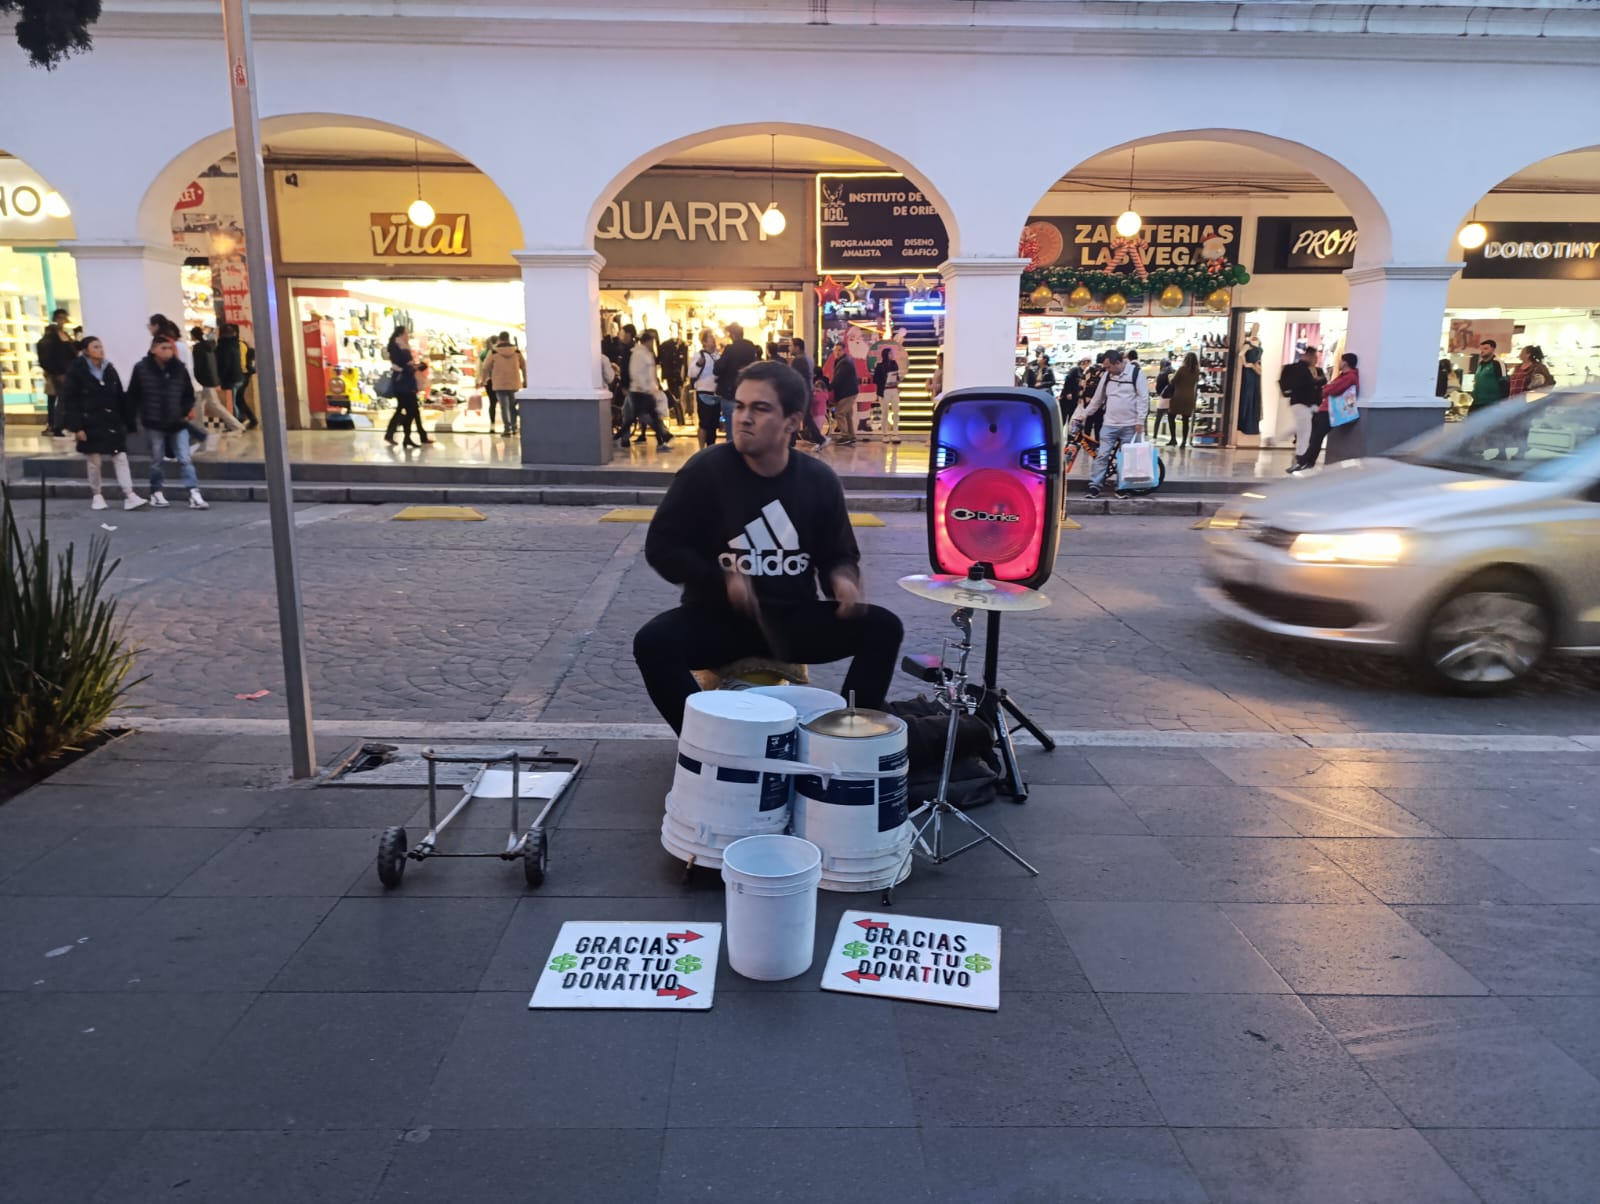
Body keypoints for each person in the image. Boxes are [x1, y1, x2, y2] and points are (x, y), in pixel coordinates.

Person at [633, 359, 904, 733]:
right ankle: (703, 741)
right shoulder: (705, 470)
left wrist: (843, 581)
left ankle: (849, 736)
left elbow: (838, 554)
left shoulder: (818, 480)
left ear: (792, 422)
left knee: (884, 628)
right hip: (718, 619)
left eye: (759, 409)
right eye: (740, 406)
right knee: (652, 642)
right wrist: (722, 579)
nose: (743, 417)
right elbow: (662, 547)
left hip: (792, 619)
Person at [61, 336, 147, 511]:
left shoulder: (109, 368)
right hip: (89, 421)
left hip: (111, 420)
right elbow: (70, 400)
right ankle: (97, 494)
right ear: (86, 350)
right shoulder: (77, 371)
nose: (101, 350)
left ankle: (129, 494)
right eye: (96, 347)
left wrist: (128, 421)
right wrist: (77, 427)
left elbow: (119, 396)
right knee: (94, 460)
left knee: (120, 456)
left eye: (101, 346)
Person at [126, 336, 207, 509]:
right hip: (154, 423)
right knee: (157, 458)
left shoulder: (179, 369)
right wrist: (132, 421)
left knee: (185, 458)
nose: (168, 351)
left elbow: (188, 393)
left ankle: (193, 492)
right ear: (153, 349)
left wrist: (184, 412)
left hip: (177, 422)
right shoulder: (141, 369)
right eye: (163, 348)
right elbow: (133, 396)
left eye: (169, 348)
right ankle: (156, 491)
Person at [1075, 348, 1148, 500]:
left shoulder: (1136, 374)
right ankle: (1095, 485)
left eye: (1109, 367)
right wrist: (1085, 415)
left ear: (1118, 363)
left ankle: (1122, 487)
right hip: (1109, 424)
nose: (1107, 370)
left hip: (1130, 425)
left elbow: (1143, 398)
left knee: (1126, 458)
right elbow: (1098, 399)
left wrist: (1140, 421)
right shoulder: (1107, 376)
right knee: (1102, 455)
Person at [1307, 351, 1360, 471]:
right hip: (1326, 408)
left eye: (1341, 361)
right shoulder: (1343, 376)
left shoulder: (1350, 376)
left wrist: (1326, 389)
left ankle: (1308, 462)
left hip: (1331, 410)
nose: (1339, 363)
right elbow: (1329, 387)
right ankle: (1306, 460)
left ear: (1345, 363)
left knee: (1317, 436)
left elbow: (1332, 389)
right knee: (1315, 436)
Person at [190, 326, 246, 435]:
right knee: (200, 404)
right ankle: (199, 428)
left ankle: (236, 425)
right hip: (210, 379)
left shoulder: (198, 348)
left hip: (204, 380)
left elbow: (198, 366)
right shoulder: (210, 346)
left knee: (214, 404)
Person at [1279, 345, 1325, 474]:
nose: (1316, 360)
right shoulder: (1301, 370)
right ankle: (1301, 458)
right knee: (1304, 432)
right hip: (1303, 403)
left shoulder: (1298, 369)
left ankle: (1299, 455)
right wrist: (1315, 382)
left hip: (1302, 404)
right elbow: (1306, 386)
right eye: (1315, 357)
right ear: (1310, 357)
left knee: (1302, 428)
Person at [713, 322, 761, 441]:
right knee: (746, 428)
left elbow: (718, 368)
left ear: (733, 335)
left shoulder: (730, 349)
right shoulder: (751, 348)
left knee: (731, 428)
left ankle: (732, 455)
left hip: (730, 393)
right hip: (748, 392)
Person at [384, 326, 430, 448]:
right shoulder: (397, 346)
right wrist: (413, 368)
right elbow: (398, 365)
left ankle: (406, 436)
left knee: (409, 410)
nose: (408, 335)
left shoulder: (402, 346)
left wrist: (415, 367)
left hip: (406, 382)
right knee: (411, 411)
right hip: (403, 383)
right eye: (406, 333)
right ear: (400, 334)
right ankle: (408, 437)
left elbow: (405, 365)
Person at [628, 329, 674, 448]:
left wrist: (653, 386)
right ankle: (664, 435)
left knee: (652, 416)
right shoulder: (638, 354)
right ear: (647, 342)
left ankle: (662, 438)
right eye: (651, 342)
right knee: (645, 416)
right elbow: (636, 373)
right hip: (640, 392)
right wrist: (645, 387)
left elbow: (649, 372)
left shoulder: (646, 354)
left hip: (647, 391)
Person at [36, 307, 78, 435]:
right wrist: (56, 372)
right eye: (60, 318)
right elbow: (49, 354)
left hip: (66, 371)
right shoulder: (52, 335)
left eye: (64, 318)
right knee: (60, 399)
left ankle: (60, 424)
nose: (63, 321)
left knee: (63, 399)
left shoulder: (64, 335)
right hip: (58, 373)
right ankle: (57, 425)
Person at [215, 324, 257, 430]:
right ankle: (249, 419)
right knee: (239, 399)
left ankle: (238, 421)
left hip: (238, 375)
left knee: (235, 400)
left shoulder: (228, 345)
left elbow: (233, 362)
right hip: (242, 375)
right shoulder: (239, 344)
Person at [486, 331, 526, 437]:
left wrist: (485, 378)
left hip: (499, 383)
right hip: (514, 383)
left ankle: (507, 429)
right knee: (512, 406)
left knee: (504, 406)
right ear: (508, 338)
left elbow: (485, 366)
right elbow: (524, 366)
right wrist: (526, 380)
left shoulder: (494, 351)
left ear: (500, 338)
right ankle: (514, 427)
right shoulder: (516, 351)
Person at [689, 330, 721, 448]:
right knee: (704, 423)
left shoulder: (718, 356)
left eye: (713, 336)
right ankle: (701, 448)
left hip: (716, 393)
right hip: (703, 392)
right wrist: (698, 364)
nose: (713, 339)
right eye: (710, 337)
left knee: (713, 424)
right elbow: (691, 373)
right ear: (704, 342)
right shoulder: (699, 355)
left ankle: (711, 446)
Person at [1166, 352, 1200, 448]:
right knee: (1186, 420)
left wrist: (1170, 376)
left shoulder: (1182, 369)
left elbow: (1173, 381)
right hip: (1190, 397)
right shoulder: (1196, 371)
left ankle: (1173, 439)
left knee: (1171, 416)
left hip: (1178, 396)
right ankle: (1184, 441)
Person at [872, 344, 903, 443]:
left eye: (892, 353)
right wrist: (885, 380)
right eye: (890, 353)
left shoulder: (894, 363)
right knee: (885, 412)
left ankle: (895, 433)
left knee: (896, 411)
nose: (892, 355)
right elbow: (875, 379)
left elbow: (897, 375)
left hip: (894, 389)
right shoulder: (880, 366)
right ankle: (884, 434)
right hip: (884, 391)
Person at [831, 350, 860, 444]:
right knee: (847, 414)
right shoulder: (845, 361)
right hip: (850, 391)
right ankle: (851, 435)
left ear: (844, 350)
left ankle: (845, 435)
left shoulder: (844, 363)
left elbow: (839, 378)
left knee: (840, 413)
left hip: (847, 392)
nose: (837, 352)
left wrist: (829, 387)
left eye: (839, 350)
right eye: (835, 350)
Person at [1471, 339, 1507, 412]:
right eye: (1481, 349)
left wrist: (1503, 401)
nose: (1482, 351)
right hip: (1477, 402)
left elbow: (1504, 382)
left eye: (1486, 348)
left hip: (1492, 403)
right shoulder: (1480, 365)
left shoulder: (1497, 363)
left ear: (1493, 349)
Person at [1236, 339, 1263, 436]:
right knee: (1248, 395)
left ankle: (1252, 425)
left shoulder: (1258, 342)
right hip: (1249, 373)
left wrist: (1257, 367)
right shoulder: (1248, 344)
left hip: (1255, 372)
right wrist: (1247, 364)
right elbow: (1241, 354)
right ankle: (1245, 425)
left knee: (1254, 396)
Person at [1057, 357, 1088, 427]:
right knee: (1063, 416)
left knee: (1072, 417)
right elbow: (1067, 380)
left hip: (1075, 398)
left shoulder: (1085, 372)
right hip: (1067, 397)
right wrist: (1068, 392)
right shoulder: (1075, 370)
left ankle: (1070, 435)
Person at [1151, 358, 1174, 443]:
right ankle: (1173, 438)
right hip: (1172, 398)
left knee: (1158, 418)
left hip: (1163, 398)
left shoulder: (1161, 373)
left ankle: (1154, 435)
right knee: (1171, 419)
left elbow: (1158, 388)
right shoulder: (1173, 371)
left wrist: (1160, 393)